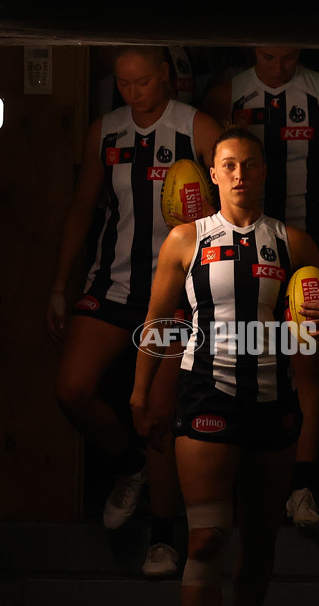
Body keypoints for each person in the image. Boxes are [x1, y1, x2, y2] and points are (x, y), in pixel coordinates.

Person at [130, 127, 319, 606]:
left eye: (249, 164)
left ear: (263, 173)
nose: (238, 175)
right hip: (206, 396)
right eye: (227, 165)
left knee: (260, 539)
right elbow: (157, 319)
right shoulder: (186, 240)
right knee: (207, 538)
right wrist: (139, 392)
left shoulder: (292, 242)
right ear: (213, 174)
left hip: (272, 401)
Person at [46, 45, 222, 577]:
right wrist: (59, 286)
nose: (132, 92)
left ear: (165, 75)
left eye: (142, 81)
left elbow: (233, 209)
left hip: (176, 296)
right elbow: (83, 208)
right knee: (71, 388)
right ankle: (130, 465)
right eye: (123, 83)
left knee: (158, 412)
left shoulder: (197, 127)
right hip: (113, 284)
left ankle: (163, 536)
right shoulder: (106, 130)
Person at [202, 46, 319, 528]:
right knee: (237, 355)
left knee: (306, 362)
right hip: (242, 246)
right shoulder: (226, 94)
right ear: (254, 49)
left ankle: (302, 486)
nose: (278, 67)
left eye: (288, 57)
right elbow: (209, 170)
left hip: (309, 244)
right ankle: (233, 484)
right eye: (269, 57)